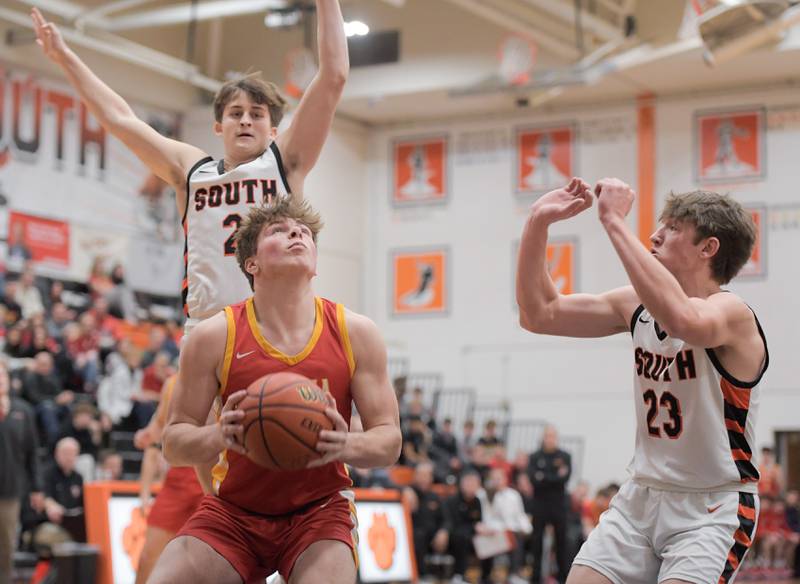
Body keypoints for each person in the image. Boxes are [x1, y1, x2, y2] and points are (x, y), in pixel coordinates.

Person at [32, 0, 348, 333]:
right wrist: (65, 58)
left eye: (256, 114)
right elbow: (120, 119)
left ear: (272, 130)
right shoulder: (192, 171)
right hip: (207, 327)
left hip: (275, 324)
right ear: (218, 126)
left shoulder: (284, 161)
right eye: (235, 113)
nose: (245, 120)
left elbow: (334, 77)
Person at [516, 178, 768, 584]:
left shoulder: (732, 313)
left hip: (712, 505)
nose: (654, 234)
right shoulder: (636, 305)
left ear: (708, 247)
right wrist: (536, 223)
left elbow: (683, 320)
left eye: (671, 228)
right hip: (641, 495)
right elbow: (539, 314)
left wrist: (614, 221)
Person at [150, 199, 401, 584]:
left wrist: (344, 445)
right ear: (252, 264)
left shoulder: (355, 331)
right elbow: (174, 443)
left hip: (319, 510)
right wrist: (220, 435)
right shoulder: (215, 335)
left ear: (315, 265)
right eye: (279, 230)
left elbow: (389, 440)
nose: (296, 233)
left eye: (303, 232)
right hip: (234, 512)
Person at [132, 374, 207, 584]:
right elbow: (158, 425)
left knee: (214, 563)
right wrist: (147, 435)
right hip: (179, 478)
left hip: (214, 479)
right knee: (149, 555)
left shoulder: (226, 370)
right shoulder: (174, 382)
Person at [0, 360, 44, 584]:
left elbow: (32, 453)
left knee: (7, 542)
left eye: (3, 376)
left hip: (10, 489)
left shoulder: (23, 411)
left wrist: (36, 488)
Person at [528, 425, 572, 583]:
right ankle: (535, 577)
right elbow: (534, 480)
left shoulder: (565, 456)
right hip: (539, 505)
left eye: (552, 436)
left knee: (562, 542)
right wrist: (554, 476)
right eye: (547, 435)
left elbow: (564, 479)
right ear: (543, 437)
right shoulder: (534, 456)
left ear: (556, 438)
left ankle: (563, 578)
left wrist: (544, 476)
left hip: (558, 505)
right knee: (536, 542)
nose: (549, 439)